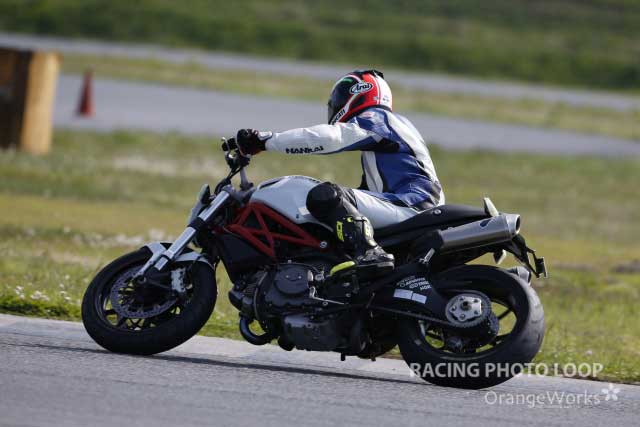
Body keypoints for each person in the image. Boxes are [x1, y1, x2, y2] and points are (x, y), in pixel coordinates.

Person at [233, 69, 444, 277]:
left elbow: (332, 138)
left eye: (341, 96)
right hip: (409, 203)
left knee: (327, 195)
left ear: (360, 93)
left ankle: (371, 253)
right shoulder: (387, 132)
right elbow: (365, 193)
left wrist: (265, 140)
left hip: (413, 203)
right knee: (335, 209)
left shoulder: (378, 118)